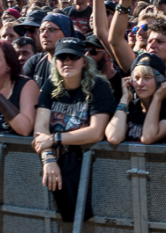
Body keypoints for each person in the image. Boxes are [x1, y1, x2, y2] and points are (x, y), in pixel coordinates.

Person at [32, 37, 115, 221]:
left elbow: (96, 132)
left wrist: (54, 139)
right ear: (55, 62)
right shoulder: (50, 85)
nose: (67, 61)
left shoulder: (99, 86)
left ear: (84, 61)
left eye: (73, 57)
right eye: (62, 57)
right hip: (57, 164)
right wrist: (48, 158)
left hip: (94, 169)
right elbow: (40, 129)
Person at [107, 54, 166, 146]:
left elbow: (148, 137)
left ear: (160, 81)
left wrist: (157, 98)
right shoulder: (131, 107)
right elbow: (114, 138)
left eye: (147, 78)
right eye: (136, 78)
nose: (140, 83)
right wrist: (125, 98)